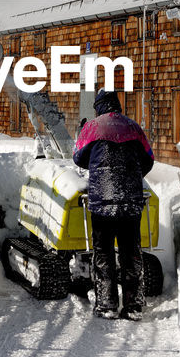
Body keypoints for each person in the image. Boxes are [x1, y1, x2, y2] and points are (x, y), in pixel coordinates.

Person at [73, 88, 154, 320]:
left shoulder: (91, 128)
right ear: (117, 105)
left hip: (102, 203)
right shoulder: (133, 127)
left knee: (103, 254)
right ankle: (134, 306)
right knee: (131, 253)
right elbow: (149, 159)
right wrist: (132, 176)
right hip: (130, 202)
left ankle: (106, 305)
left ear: (98, 106)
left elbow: (78, 157)